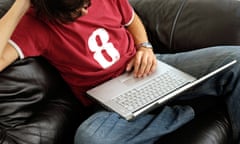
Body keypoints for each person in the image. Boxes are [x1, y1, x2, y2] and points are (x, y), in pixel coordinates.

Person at [0, 0, 239, 143]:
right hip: (110, 101)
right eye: (73, 11)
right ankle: (191, 109)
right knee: (90, 139)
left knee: (236, 58)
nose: (84, 11)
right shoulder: (35, 25)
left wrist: (144, 46)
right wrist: (20, 5)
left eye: (86, 3)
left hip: (152, 67)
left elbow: (131, 20)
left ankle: (174, 103)